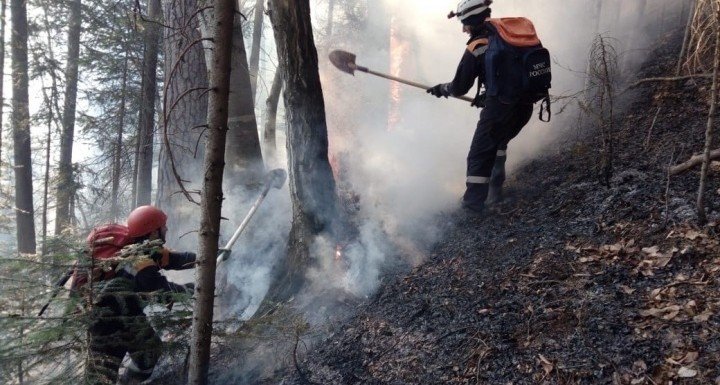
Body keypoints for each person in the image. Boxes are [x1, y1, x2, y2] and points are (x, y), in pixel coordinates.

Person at [427, 0, 538, 214]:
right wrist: (487, 94)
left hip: (500, 109)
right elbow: (507, 74)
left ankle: (472, 206)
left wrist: (442, 89)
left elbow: (460, 86)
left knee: (479, 153)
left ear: (473, 21)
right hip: (524, 106)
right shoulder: (509, 36)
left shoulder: (478, 45)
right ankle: (495, 193)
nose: (463, 29)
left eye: (465, 24)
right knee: (498, 143)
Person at [83, 205, 196, 385]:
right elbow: (160, 291)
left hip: (125, 316)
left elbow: (173, 259)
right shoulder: (139, 261)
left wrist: (205, 257)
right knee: (103, 375)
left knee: (148, 355)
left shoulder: (140, 247)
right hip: (110, 322)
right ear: (153, 233)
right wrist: (193, 289)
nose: (166, 228)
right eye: (163, 226)